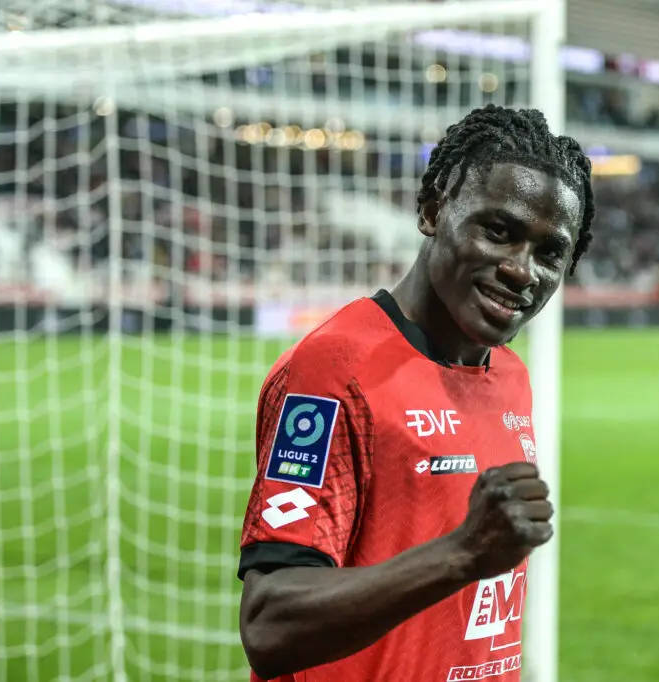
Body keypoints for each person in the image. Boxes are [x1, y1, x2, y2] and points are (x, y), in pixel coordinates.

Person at [237, 104, 595, 682]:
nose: (522, 271)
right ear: (432, 210)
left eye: (550, 252)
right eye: (498, 232)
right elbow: (269, 624)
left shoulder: (510, 376)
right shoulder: (335, 372)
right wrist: (463, 553)